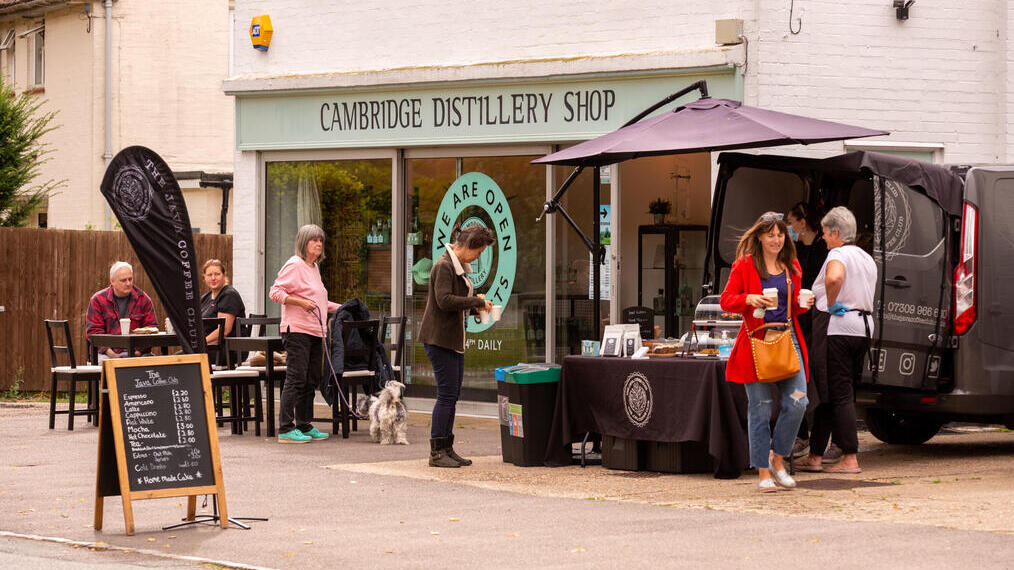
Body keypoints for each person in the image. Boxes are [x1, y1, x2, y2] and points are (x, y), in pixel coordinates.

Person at [720, 212, 813, 492]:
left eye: (780, 234)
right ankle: (762, 471)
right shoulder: (745, 265)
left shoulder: (790, 265)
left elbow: (793, 307)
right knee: (760, 410)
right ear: (759, 236)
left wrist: (802, 302)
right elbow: (726, 300)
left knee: (799, 401)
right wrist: (748, 298)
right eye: (770, 234)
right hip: (756, 344)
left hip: (788, 341)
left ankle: (777, 457)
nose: (776, 239)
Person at [795, 207, 876, 474]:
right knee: (832, 393)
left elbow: (835, 277)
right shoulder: (866, 258)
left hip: (839, 329)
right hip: (862, 329)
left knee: (838, 393)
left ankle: (850, 456)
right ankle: (816, 455)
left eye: (827, 234)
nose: (824, 239)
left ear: (836, 233)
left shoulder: (838, 254)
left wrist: (830, 303)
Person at [418, 223, 494, 468]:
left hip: (453, 340)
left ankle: (447, 447)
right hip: (439, 340)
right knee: (446, 395)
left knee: (452, 395)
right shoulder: (444, 266)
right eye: (479, 251)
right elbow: (444, 300)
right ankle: (436, 452)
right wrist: (475, 301)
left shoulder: (457, 267)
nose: (479, 256)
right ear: (469, 245)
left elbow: (453, 303)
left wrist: (475, 307)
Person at [269, 224, 340, 444]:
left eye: (320, 240)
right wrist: (299, 302)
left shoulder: (314, 268)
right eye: (313, 240)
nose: (318, 243)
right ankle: (285, 428)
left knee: (311, 379)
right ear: (304, 243)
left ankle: (304, 424)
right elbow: (275, 292)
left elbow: (319, 302)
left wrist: (343, 307)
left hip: (315, 332)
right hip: (297, 330)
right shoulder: (294, 264)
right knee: (296, 378)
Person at [786, 202, 836, 461]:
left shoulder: (821, 249)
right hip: (798, 318)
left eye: (791, 223)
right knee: (799, 376)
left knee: (817, 377)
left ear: (802, 223)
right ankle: (802, 434)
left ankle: (821, 437)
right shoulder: (795, 249)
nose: (789, 228)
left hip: (815, 318)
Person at [86, 261, 157, 360]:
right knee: (106, 365)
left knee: (157, 365)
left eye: (130, 279)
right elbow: (93, 332)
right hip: (106, 354)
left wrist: (138, 352)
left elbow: (152, 327)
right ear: (112, 281)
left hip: (138, 354)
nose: (128, 283)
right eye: (123, 280)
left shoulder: (143, 299)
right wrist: (112, 355)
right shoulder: (98, 300)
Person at [200, 259, 247, 366]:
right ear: (204, 277)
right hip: (210, 347)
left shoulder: (229, 295)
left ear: (224, 275)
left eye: (217, 274)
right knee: (179, 358)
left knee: (181, 359)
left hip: (227, 350)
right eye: (209, 275)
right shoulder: (205, 298)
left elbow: (224, 331)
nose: (213, 278)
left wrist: (201, 344)